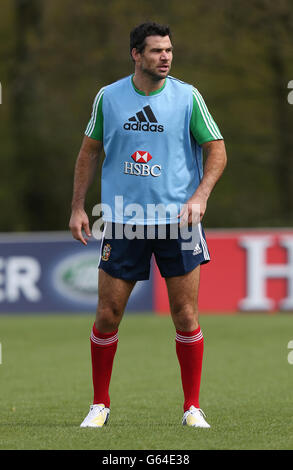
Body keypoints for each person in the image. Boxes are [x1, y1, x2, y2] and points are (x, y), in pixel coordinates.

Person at [69, 21, 227, 429]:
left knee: (184, 314)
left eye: (169, 50)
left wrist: (201, 196)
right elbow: (89, 151)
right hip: (124, 220)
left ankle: (192, 407)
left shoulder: (188, 97)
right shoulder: (109, 97)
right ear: (136, 55)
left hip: (179, 221)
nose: (166, 57)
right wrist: (78, 206)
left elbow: (217, 150)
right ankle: (99, 404)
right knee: (108, 313)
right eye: (157, 51)